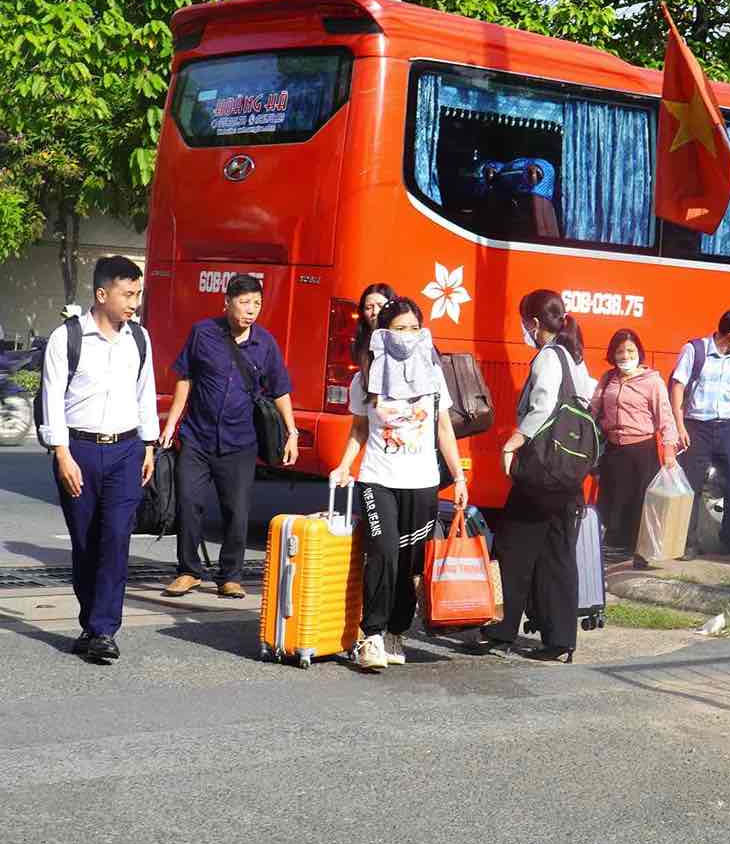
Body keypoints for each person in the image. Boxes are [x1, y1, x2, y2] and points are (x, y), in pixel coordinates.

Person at [330, 297, 466, 671]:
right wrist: (345, 466)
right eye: (398, 329)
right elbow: (359, 428)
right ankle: (371, 634)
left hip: (422, 481)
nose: (406, 337)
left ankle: (396, 630)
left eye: (412, 329)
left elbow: (443, 428)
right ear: (383, 333)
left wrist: (458, 476)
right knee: (384, 552)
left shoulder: (434, 375)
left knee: (410, 562)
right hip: (378, 478)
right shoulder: (365, 377)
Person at [39, 256, 159, 661]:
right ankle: (91, 623)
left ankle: (104, 630)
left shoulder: (139, 339)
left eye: (138, 294)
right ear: (102, 293)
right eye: (128, 294)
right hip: (79, 451)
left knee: (116, 538)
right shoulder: (67, 338)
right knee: (86, 541)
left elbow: (146, 393)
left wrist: (149, 446)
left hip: (127, 451)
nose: (135, 303)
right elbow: (51, 397)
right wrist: (61, 453)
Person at [161, 274, 299, 599]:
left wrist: (291, 431)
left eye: (257, 304)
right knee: (189, 503)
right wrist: (171, 423)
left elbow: (280, 390)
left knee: (236, 510)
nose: (251, 310)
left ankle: (230, 576)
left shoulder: (264, 344)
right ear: (227, 303)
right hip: (197, 436)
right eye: (244, 302)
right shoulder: (203, 333)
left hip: (240, 441)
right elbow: (186, 377)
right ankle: (188, 571)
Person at [478, 289, 593, 662]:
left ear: (533, 322)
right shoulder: (576, 358)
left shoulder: (547, 357)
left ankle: (501, 631)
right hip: (569, 472)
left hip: (541, 471)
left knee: (512, 547)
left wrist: (512, 443)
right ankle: (560, 638)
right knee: (557, 552)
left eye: (524, 322)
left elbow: (542, 405)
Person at [590, 328, 679, 569]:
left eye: (630, 350)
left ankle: (642, 554)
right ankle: (616, 553)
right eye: (620, 351)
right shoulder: (608, 379)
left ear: (639, 352)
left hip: (642, 451)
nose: (625, 356)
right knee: (613, 502)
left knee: (641, 504)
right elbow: (593, 410)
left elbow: (666, 417)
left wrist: (670, 451)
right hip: (614, 450)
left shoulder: (652, 381)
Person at [670, 309, 730, 558]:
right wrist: (680, 425)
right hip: (698, 426)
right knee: (691, 485)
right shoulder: (695, 350)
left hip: (728, 427)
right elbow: (677, 386)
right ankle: (689, 542)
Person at [352, 282, 396, 367]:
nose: (375, 312)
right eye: (369, 307)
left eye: (381, 305)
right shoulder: (359, 345)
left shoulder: (404, 341)